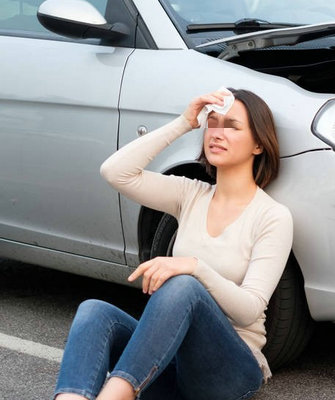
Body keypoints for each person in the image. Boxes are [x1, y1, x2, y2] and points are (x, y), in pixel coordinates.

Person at [52, 88, 294, 400]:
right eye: (213, 123)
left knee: (184, 285)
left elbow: (249, 311)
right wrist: (184, 122)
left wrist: (194, 268)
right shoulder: (189, 194)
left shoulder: (273, 216)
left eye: (232, 126)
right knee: (94, 312)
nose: (217, 133)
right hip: (170, 366)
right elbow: (115, 173)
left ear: (259, 144)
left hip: (229, 373)